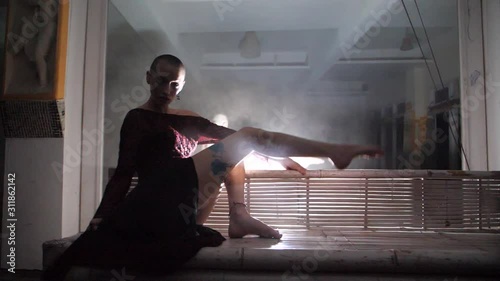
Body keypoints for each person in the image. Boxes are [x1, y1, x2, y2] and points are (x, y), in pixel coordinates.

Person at [42, 54, 383, 280]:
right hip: (156, 197)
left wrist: (277, 156)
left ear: (182, 86)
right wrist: (99, 219)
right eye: (161, 80)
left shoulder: (189, 122)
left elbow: (235, 140)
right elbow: (123, 173)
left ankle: (240, 214)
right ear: (148, 77)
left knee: (246, 139)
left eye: (174, 84)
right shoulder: (137, 119)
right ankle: (336, 152)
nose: (166, 89)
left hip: (183, 203)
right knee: (249, 136)